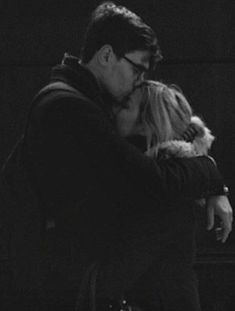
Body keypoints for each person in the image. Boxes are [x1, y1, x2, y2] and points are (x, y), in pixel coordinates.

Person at [0, 2, 232, 311]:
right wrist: (210, 174)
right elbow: (155, 182)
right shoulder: (71, 107)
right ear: (107, 55)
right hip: (55, 280)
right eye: (137, 68)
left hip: (69, 270)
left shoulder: (73, 97)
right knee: (171, 207)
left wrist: (208, 174)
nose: (139, 80)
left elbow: (172, 146)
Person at [114, 80, 219, 310]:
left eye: (124, 105)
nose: (114, 109)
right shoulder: (179, 175)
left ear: (146, 125)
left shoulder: (161, 182)